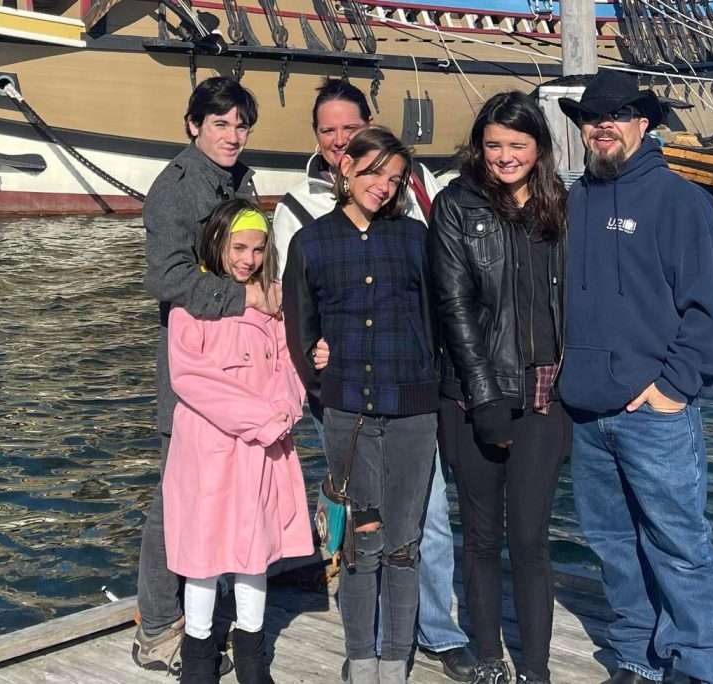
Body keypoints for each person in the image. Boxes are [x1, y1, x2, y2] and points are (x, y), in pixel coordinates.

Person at [273, 78, 476, 682]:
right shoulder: (306, 233)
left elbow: (439, 314)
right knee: (362, 537)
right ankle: (362, 654)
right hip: (346, 408)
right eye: (371, 172)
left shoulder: (415, 231)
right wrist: (320, 379)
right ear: (343, 162)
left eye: (391, 177)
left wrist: (436, 380)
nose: (382, 185)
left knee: (412, 535)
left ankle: (412, 649)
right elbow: (298, 321)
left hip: (411, 404)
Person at [557, 70, 713, 684]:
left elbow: (710, 309)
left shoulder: (680, 200)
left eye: (617, 114)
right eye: (590, 116)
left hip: (652, 411)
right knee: (612, 545)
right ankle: (638, 653)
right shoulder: (573, 201)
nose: (601, 125)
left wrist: (673, 388)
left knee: (680, 546)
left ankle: (702, 665)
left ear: (644, 122)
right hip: (584, 410)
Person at [134, 76, 280, 675]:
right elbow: (166, 278)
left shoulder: (236, 181)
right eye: (219, 123)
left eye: (241, 125)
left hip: (242, 371)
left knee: (228, 492)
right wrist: (246, 298)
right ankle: (160, 630)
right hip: (194, 369)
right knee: (177, 500)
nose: (232, 135)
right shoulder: (175, 189)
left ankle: (208, 613)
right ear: (193, 125)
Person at [428, 91, 571, 684]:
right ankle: (489, 657)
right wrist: (484, 398)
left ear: (538, 147)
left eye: (517, 144)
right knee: (482, 536)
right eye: (494, 145)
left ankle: (535, 668)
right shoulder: (456, 206)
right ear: (478, 147)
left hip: (544, 395)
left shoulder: (560, 205)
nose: (505, 156)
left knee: (532, 537)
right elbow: (454, 306)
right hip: (473, 397)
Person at [163, 199, 313, 683]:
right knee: (202, 554)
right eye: (239, 247)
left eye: (258, 248)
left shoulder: (273, 300)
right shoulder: (194, 303)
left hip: (264, 448)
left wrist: (288, 407)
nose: (248, 258)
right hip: (210, 448)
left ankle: (251, 651)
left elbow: (289, 363)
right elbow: (192, 379)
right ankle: (199, 653)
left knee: (256, 550)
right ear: (218, 244)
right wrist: (262, 418)